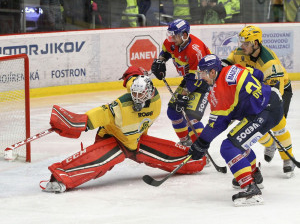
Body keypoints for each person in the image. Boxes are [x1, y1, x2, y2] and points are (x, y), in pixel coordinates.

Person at [40, 67, 206, 193]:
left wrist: (133, 74)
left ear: (149, 93)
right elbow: (98, 115)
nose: (137, 98)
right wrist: (74, 123)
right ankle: (59, 178)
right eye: (134, 94)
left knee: (178, 156)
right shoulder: (121, 106)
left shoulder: (156, 100)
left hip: (137, 142)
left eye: (141, 95)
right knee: (96, 162)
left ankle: (196, 161)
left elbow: (134, 81)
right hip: (115, 140)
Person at [188, 54, 284, 206]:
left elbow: (217, 123)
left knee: (228, 147)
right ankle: (254, 175)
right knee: (236, 140)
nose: (202, 77)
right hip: (269, 99)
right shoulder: (231, 68)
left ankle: (251, 189)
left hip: (265, 111)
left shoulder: (220, 90)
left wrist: (201, 143)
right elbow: (257, 74)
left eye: (204, 73)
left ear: (213, 72)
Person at [223, 25, 295, 178]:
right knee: (254, 124)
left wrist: (266, 111)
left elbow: (276, 93)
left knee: (277, 123)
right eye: (241, 43)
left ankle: (288, 158)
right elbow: (229, 60)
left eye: (246, 43)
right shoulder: (242, 52)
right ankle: (270, 144)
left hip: (278, 91)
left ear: (256, 43)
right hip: (254, 91)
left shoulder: (269, 64)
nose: (242, 47)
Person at [151, 19, 211, 147]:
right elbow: (166, 51)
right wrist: (160, 61)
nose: (171, 38)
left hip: (204, 81)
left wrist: (184, 95)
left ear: (184, 35)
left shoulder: (195, 50)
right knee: (173, 111)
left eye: (174, 35)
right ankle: (187, 142)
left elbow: (198, 77)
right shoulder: (172, 41)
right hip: (190, 78)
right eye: (170, 34)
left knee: (191, 117)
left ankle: (201, 151)